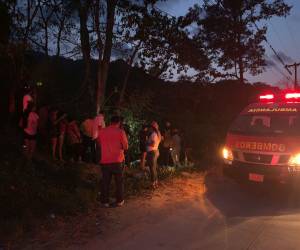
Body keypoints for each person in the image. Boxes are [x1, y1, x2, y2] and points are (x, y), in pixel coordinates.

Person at [97, 115, 128, 207]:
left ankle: (104, 202)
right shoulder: (120, 132)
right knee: (119, 181)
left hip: (105, 160)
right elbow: (126, 147)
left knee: (105, 182)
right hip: (117, 160)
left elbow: (99, 143)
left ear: (110, 122)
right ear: (118, 123)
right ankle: (119, 201)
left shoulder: (102, 131)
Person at [146, 121, 161, 189]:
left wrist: (146, 143)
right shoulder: (156, 134)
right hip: (154, 151)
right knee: (153, 168)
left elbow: (152, 144)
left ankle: (153, 183)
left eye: (150, 127)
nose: (149, 129)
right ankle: (155, 182)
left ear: (152, 128)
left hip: (152, 152)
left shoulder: (154, 134)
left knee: (152, 168)